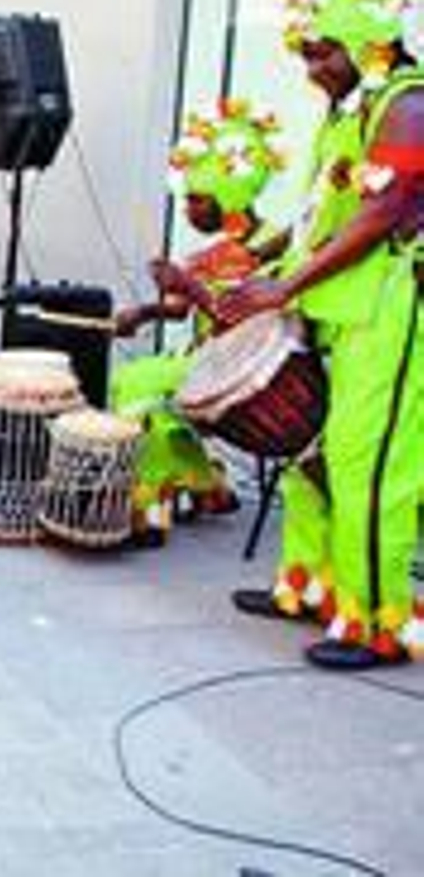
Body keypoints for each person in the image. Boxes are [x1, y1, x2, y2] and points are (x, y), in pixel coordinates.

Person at [216, 0, 424, 669]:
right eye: (304, 53)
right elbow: (317, 212)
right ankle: (308, 584)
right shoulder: (345, 112)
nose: (311, 70)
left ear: (370, 42)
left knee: (366, 464)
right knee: (310, 451)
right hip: (337, 309)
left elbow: (385, 212)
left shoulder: (408, 104)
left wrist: (286, 287)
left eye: (322, 52)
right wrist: (252, 256)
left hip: (391, 315)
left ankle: (377, 620)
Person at [110, 99, 288, 545]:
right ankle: (205, 483)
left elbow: (245, 322)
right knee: (142, 382)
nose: (188, 211)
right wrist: (143, 313)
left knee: (139, 387)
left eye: (197, 200)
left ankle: (150, 510)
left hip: (251, 375)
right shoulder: (211, 252)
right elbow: (179, 310)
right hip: (206, 362)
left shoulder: (277, 248)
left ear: (230, 197)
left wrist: (188, 285)